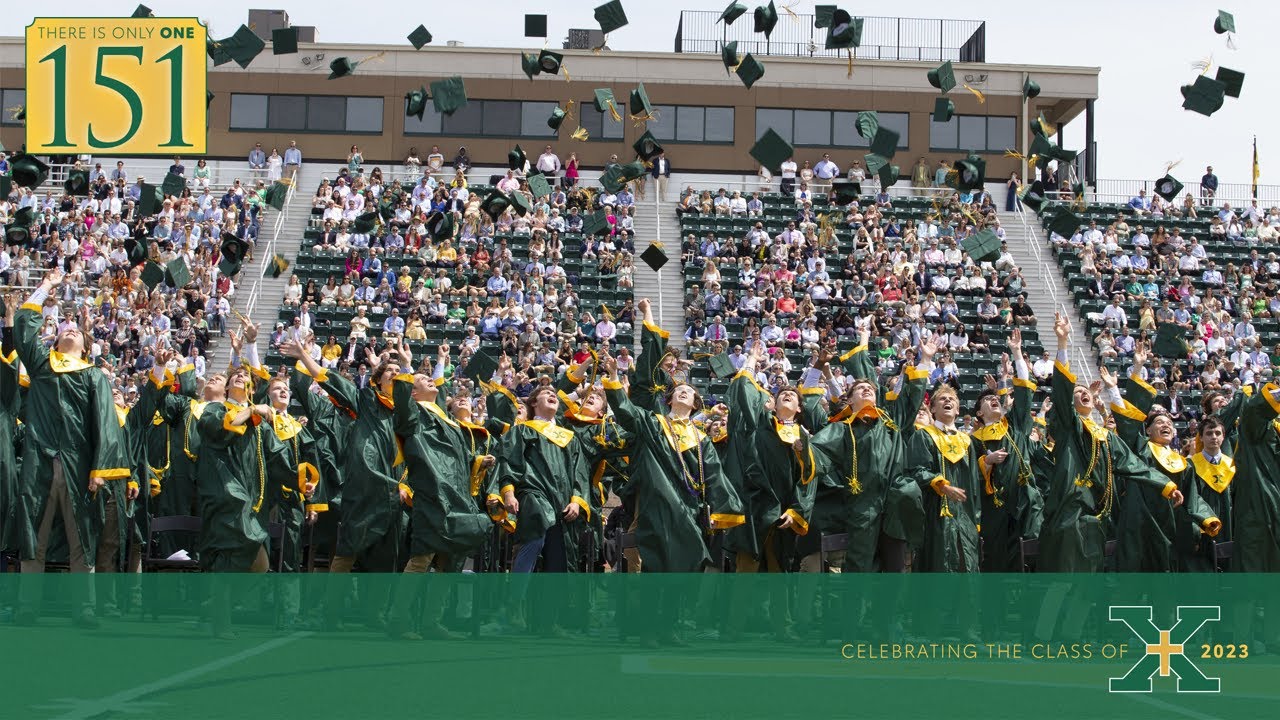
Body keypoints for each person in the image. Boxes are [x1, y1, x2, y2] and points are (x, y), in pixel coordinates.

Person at [12, 266, 131, 627]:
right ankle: (27, 606)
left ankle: (85, 608)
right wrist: (47, 284)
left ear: (85, 345)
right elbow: (23, 327)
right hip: (40, 459)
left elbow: (104, 424)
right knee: (36, 532)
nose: (69, 329)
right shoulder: (42, 365)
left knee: (83, 536)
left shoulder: (92, 374)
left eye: (76, 330)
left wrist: (100, 469)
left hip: (79, 465)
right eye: (64, 328)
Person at [1039, 313, 1184, 572]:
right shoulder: (1070, 428)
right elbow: (1062, 393)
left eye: (1086, 392)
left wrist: (1166, 485)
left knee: (1089, 582)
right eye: (1078, 393)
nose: (1083, 394)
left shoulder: (1104, 436)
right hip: (1069, 511)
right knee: (1064, 578)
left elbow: (1132, 464)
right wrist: (1062, 343)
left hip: (1097, 513)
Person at [281, 336, 406, 629]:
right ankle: (330, 614)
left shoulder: (404, 414)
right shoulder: (365, 401)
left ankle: (374, 614)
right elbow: (327, 379)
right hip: (363, 489)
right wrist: (303, 355)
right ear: (377, 379)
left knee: (384, 558)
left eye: (399, 373)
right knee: (347, 551)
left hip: (392, 494)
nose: (396, 375)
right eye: (390, 372)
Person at [387, 343, 502, 640]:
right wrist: (405, 366)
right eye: (422, 380)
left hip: (457, 496)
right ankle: (399, 621)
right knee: (422, 558)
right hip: (432, 493)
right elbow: (402, 411)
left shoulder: (447, 421)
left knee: (449, 562)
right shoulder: (415, 415)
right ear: (412, 393)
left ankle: (430, 622)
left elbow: (459, 461)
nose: (430, 380)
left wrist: (478, 462)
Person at [969, 335, 1043, 572]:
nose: (993, 400)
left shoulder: (1015, 426)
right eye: (987, 400)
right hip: (993, 507)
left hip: (1024, 502)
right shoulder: (972, 440)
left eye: (995, 398)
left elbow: (1024, 395)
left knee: (1029, 556)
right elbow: (967, 474)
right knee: (996, 559)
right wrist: (986, 462)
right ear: (979, 414)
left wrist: (1018, 354)